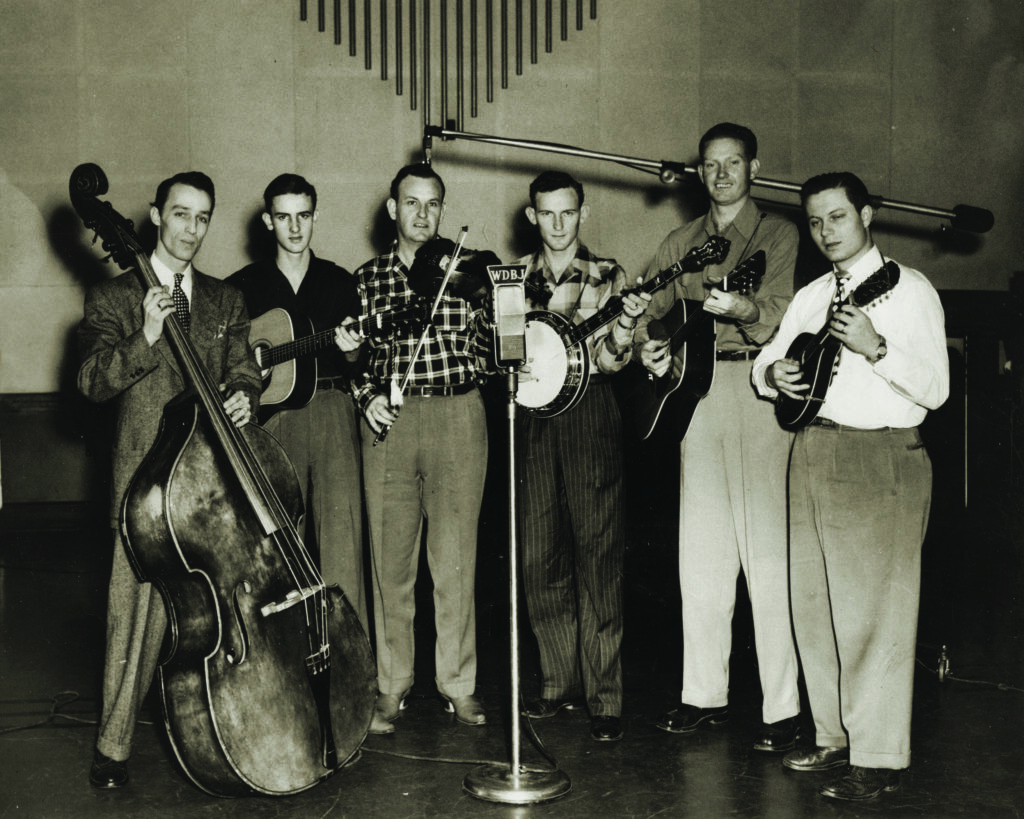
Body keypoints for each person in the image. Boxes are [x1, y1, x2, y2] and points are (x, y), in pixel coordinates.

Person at [752, 172, 948, 801]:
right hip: (813, 451)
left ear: (865, 214)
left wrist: (876, 346)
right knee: (814, 608)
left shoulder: (910, 290)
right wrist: (773, 372)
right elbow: (766, 362)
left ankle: (880, 756)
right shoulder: (812, 294)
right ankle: (834, 735)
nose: (825, 231)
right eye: (814, 221)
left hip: (880, 456)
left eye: (837, 217)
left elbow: (937, 390)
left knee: (875, 615)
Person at [78, 172, 261, 788]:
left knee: (211, 621)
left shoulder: (224, 299)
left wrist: (243, 397)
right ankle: (114, 747)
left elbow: (243, 371)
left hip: (208, 489)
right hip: (143, 494)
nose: (192, 229)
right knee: (131, 621)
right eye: (180, 214)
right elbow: (92, 383)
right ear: (155, 215)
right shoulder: (112, 298)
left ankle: (225, 733)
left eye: (203, 217)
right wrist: (147, 334)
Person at [637, 123, 801, 751]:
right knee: (700, 557)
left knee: (769, 557)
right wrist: (650, 351)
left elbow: (783, 312)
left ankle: (782, 708)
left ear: (754, 168)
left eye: (734, 163)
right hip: (697, 398)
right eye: (711, 165)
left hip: (760, 392)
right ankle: (701, 694)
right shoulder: (680, 241)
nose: (722, 174)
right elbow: (651, 315)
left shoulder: (778, 233)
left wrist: (747, 311)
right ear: (698, 172)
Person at [352, 163, 494, 731]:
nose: (422, 214)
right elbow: (355, 362)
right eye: (411, 203)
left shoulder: (467, 272)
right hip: (392, 418)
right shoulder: (367, 278)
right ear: (392, 209)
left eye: (432, 204)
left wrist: (495, 301)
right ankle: (391, 685)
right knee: (391, 562)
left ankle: (459, 684)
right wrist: (367, 397)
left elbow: (487, 352)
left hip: (459, 412)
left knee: (456, 562)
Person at [515, 171, 651, 743]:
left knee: (598, 554)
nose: (558, 224)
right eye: (547, 214)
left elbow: (617, 360)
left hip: (591, 411)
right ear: (532, 217)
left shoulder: (610, 275)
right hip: (534, 421)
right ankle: (554, 682)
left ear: (583, 213)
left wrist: (622, 331)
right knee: (539, 556)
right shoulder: (513, 277)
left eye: (567, 213)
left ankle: (605, 696)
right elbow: (503, 352)